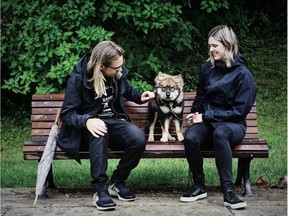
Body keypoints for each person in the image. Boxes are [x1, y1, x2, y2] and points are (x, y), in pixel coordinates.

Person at [57, 41, 155, 211]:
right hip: (86, 129)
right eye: (116, 68)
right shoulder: (78, 79)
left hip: (113, 121)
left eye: (121, 66)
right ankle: (101, 191)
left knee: (138, 138)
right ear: (102, 66)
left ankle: (117, 181)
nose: (120, 71)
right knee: (99, 132)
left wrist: (140, 96)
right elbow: (68, 114)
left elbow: (126, 88)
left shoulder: (116, 73)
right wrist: (87, 120)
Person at [180, 25, 257, 210]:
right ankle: (199, 186)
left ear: (228, 45)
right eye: (210, 46)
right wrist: (195, 114)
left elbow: (239, 112)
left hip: (233, 124)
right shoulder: (207, 69)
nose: (211, 50)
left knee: (220, 133)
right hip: (208, 121)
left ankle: (228, 192)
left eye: (215, 45)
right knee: (190, 137)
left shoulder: (243, 74)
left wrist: (206, 116)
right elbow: (200, 97)